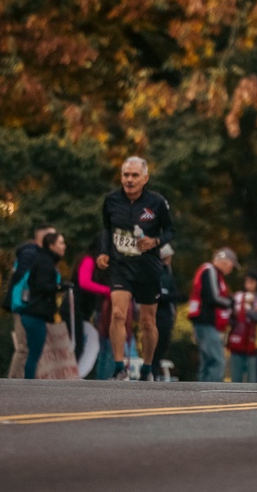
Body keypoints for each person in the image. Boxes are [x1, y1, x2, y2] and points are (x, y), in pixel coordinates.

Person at [97, 156, 176, 381]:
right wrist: (103, 252)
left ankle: (148, 368)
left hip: (147, 268)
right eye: (125, 175)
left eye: (134, 176)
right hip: (120, 266)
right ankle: (119, 367)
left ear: (145, 178)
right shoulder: (111, 200)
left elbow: (171, 231)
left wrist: (155, 241)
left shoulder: (157, 202)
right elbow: (107, 228)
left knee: (147, 322)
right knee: (118, 314)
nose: (129, 180)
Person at [8, 224, 57, 379]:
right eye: (52, 237)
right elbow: (22, 279)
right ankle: (14, 381)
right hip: (25, 305)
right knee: (24, 348)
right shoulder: (31, 254)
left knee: (28, 348)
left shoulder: (42, 256)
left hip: (29, 305)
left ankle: (22, 380)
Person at [19, 231, 67, 379]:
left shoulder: (44, 260)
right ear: (51, 246)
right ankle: (29, 384)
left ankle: (30, 382)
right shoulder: (45, 262)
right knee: (34, 353)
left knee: (34, 352)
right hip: (35, 314)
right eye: (61, 243)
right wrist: (59, 287)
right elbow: (42, 286)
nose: (64, 246)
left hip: (33, 313)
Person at [188, 247, 238, 382]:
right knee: (218, 360)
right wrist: (232, 302)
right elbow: (213, 297)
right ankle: (213, 391)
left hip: (204, 322)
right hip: (206, 321)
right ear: (226, 262)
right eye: (232, 266)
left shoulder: (212, 272)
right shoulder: (210, 270)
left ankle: (202, 392)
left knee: (207, 361)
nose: (231, 270)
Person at [70, 233, 112, 378]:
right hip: (75, 307)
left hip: (81, 308)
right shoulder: (88, 260)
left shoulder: (91, 261)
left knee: (82, 343)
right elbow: (84, 282)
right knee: (77, 344)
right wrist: (107, 291)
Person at [152, 243, 186, 379]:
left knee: (161, 347)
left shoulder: (167, 271)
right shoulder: (160, 272)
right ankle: (151, 372)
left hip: (166, 316)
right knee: (157, 346)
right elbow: (159, 294)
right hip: (160, 316)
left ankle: (152, 372)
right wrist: (176, 296)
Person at [228, 271, 257, 383]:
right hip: (238, 339)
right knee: (236, 376)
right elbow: (231, 314)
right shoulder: (238, 296)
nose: (249, 284)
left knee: (252, 377)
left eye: (252, 281)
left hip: (254, 342)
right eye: (247, 281)